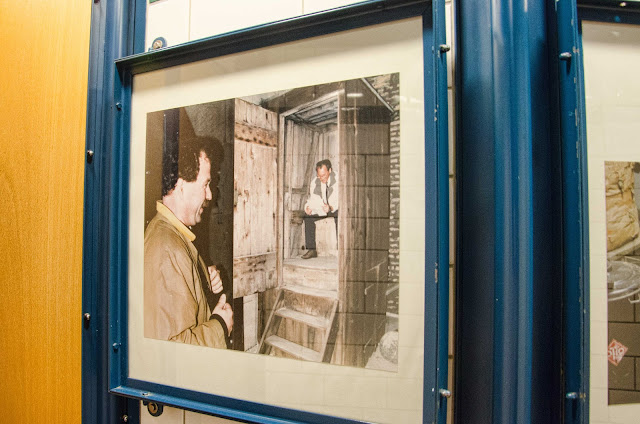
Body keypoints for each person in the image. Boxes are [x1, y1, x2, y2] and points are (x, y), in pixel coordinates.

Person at [144, 138, 233, 348]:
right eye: (206, 184)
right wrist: (220, 325)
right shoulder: (166, 248)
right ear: (181, 186)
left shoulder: (172, 234)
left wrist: (203, 276)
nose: (210, 195)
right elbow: (171, 351)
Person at [301, 159, 339, 259]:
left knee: (340, 215)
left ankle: (341, 249)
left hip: (335, 208)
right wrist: (307, 207)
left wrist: (331, 207)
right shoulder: (315, 182)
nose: (321, 178)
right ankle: (312, 250)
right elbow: (311, 198)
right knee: (307, 217)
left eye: (323, 175)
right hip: (322, 210)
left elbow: (342, 200)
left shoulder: (339, 180)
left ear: (330, 171)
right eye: (319, 175)